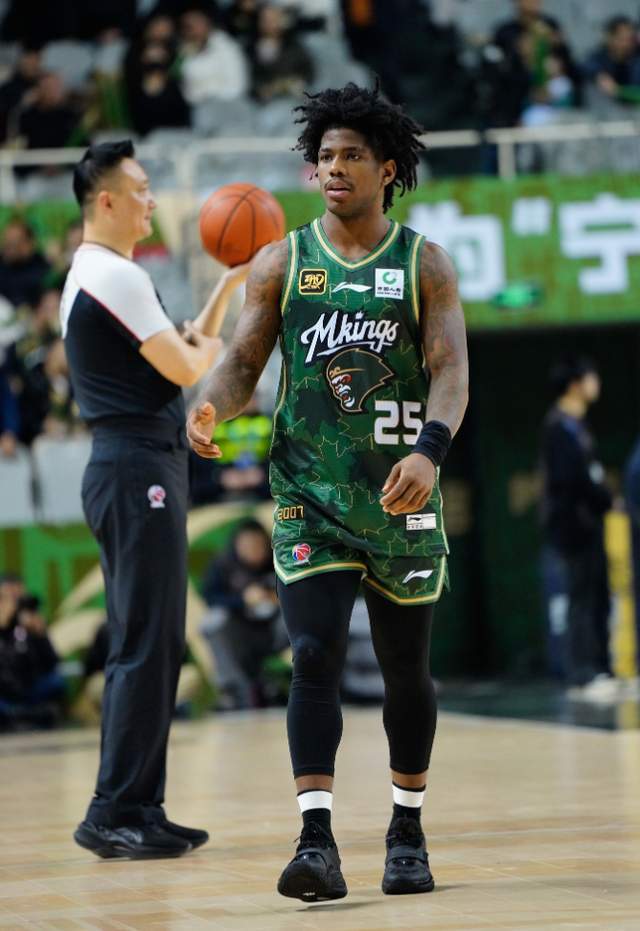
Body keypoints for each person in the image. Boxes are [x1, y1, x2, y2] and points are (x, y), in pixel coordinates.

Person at [187, 82, 468, 899]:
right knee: (310, 654)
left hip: (400, 493)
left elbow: (452, 371)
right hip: (309, 491)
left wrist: (430, 451)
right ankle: (315, 839)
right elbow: (242, 362)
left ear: (388, 169)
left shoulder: (423, 263)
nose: (334, 168)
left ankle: (407, 828)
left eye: (351, 156)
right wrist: (210, 405)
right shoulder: (282, 262)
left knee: (406, 670)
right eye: (324, 157)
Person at [62, 140, 248, 860]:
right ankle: (113, 810)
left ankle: (141, 805)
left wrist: (225, 288)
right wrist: (209, 351)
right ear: (106, 199)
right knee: (145, 640)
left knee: (157, 638)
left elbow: (181, 348)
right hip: (135, 465)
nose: (151, 200)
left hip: (138, 460)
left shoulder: (100, 274)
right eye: (140, 188)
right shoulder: (116, 274)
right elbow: (187, 362)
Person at [540, 356, 615, 700]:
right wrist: (602, 498)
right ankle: (581, 673)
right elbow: (572, 481)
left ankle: (599, 666)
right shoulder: (558, 427)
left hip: (589, 526)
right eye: (590, 377)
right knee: (580, 599)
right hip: (572, 529)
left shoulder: (578, 425)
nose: (595, 383)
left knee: (596, 597)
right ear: (574, 384)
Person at [200, 519, 285, 709]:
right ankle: (233, 692)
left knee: (307, 616)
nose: (253, 550)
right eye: (247, 545)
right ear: (236, 545)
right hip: (240, 633)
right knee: (213, 621)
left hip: (277, 630)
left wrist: (277, 598)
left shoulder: (281, 561)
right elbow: (210, 598)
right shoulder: (222, 565)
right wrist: (242, 600)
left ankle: (318, 683)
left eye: (258, 545)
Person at [584, 16, 640, 107]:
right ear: (610, 38)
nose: (627, 44)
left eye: (630, 39)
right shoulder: (599, 57)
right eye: (622, 39)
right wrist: (599, 76)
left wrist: (619, 90)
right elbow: (584, 66)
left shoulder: (637, 58)